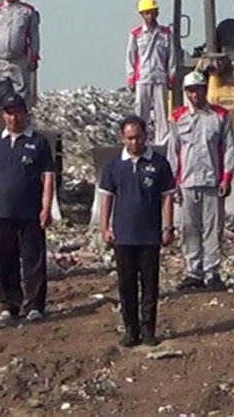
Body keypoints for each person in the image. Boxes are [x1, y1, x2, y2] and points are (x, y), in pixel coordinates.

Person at [99, 115, 177, 347]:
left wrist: (168, 227)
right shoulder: (114, 167)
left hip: (149, 235)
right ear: (123, 138)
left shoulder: (159, 164)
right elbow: (107, 198)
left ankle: (148, 329)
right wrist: (105, 227)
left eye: (138, 137)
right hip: (123, 236)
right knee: (127, 285)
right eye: (129, 138)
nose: (134, 143)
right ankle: (130, 330)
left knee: (150, 285)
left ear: (146, 136)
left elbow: (167, 198)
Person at [0, 93, 56, 323]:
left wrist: (46, 208)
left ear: (25, 113)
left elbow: (48, 178)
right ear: (4, 115)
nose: (14, 117)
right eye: (9, 112)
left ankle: (34, 305)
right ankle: (9, 304)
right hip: (3, 212)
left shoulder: (38, 143)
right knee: (5, 259)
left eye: (18, 112)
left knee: (33, 260)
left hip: (31, 212)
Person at [168, 70, 234, 291]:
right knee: (189, 228)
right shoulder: (178, 118)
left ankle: (212, 271)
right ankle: (193, 271)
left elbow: (228, 149)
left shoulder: (221, 116)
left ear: (205, 90)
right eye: (190, 91)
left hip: (212, 182)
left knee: (213, 229)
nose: (194, 95)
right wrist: (173, 183)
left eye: (197, 90)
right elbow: (173, 152)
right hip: (186, 183)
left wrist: (226, 177)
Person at [126, 0, 176, 145]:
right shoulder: (136, 34)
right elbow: (131, 57)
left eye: (152, 12)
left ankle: (163, 143)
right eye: (147, 13)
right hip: (143, 78)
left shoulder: (166, 34)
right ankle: (139, 141)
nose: (150, 16)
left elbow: (172, 56)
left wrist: (171, 76)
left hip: (160, 77)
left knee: (162, 114)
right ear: (142, 15)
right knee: (141, 113)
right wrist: (131, 78)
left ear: (157, 13)